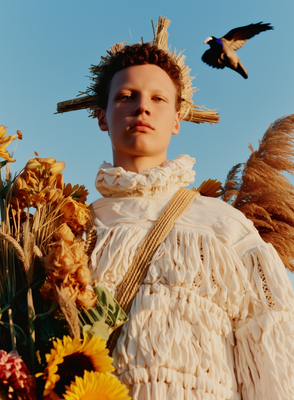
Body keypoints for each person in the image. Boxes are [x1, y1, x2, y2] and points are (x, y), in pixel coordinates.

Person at [57, 17, 294, 400]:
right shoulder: (70, 231)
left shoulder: (224, 227)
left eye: (158, 99)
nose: (142, 108)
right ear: (102, 116)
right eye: (125, 96)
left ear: (178, 119)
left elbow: (273, 356)